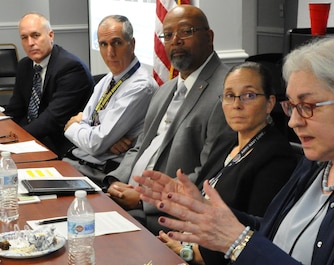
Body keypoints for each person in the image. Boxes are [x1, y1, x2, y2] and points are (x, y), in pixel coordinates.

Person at [134, 37, 334, 265]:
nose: (293, 121)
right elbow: (278, 231)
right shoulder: (318, 163)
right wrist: (206, 211)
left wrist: (236, 240)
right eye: (292, 105)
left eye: (308, 106)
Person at [102, 5, 230, 234]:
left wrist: (143, 199)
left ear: (209, 37)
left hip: (163, 219)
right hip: (126, 200)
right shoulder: (165, 90)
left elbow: (207, 174)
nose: (175, 41)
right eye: (168, 35)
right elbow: (140, 146)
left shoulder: (226, 93)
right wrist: (115, 182)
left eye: (186, 31)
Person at [158, 61, 300, 264]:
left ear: (269, 103)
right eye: (229, 96)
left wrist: (186, 252)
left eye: (249, 95)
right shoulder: (227, 142)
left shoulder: (276, 157)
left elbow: (256, 237)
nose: (237, 105)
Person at [63, 15, 157, 187]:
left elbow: (95, 143)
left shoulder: (141, 86)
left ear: (132, 44)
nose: (109, 53)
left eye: (117, 43)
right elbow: (92, 128)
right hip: (78, 161)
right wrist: (104, 140)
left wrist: (72, 127)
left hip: (100, 174)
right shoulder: (108, 79)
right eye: (103, 44)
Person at [4, 12, 93, 157]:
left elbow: (52, 119)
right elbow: (15, 110)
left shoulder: (71, 68)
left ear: (51, 36)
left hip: (60, 145)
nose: (30, 43)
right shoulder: (25, 65)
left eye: (35, 35)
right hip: (32, 138)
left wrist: (18, 140)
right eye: (24, 38)